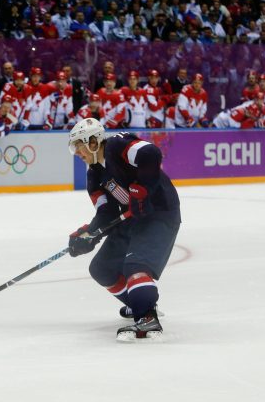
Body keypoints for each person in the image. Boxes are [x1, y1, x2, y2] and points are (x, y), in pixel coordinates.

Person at [67, 118, 180, 341]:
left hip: (159, 214)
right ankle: (137, 300)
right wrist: (88, 234)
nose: (77, 152)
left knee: (135, 265)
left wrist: (141, 188)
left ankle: (147, 318)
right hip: (133, 218)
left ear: (92, 141)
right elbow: (106, 213)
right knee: (101, 268)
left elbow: (151, 154)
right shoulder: (94, 175)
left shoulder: (116, 146)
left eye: (79, 145)